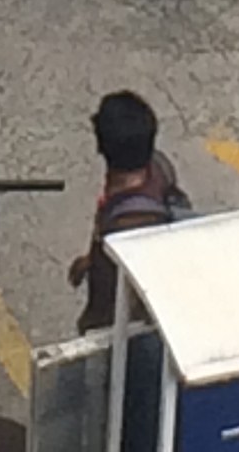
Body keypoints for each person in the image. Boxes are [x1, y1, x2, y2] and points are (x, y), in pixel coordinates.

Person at [69, 91, 191, 331]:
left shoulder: (126, 227)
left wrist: (87, 327)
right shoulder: (158, 167)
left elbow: (106, 309)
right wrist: (90, 260)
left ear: (100, 146)